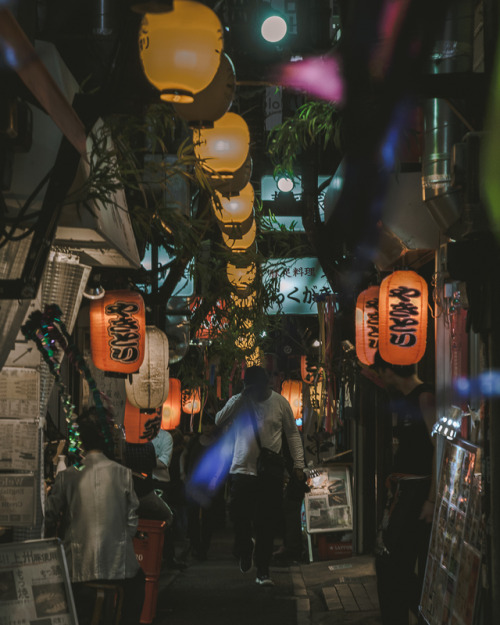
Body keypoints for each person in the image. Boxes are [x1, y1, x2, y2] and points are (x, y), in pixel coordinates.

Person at [44, 407, 145, 625]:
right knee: (138, 584)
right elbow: (131, 524)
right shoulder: (124, 474)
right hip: (120, 568)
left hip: (78, 570)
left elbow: (49, 516)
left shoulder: (68, 476)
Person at [215, 365, 305, 587]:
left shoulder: (280, 403)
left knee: (266, 523)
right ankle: (245, 548)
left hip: (270, 472)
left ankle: (263, 571)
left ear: (267, 385)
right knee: (238, 516)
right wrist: (240, 398)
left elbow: (292, 434)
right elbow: (218, 419)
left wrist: (299, 464)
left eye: (256, 388)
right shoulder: (240, 401)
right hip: (241, 469)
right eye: (249, 389)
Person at [372, 351, 437, 625]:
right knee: (387, 559)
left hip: (418, 491)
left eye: (380, 371)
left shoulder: (424, 396)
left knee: (393, 561)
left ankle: (425, 613)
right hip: (402, 491)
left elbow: (440, 448)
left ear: (389, 370)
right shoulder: (402, 400)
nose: (380, 377)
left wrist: (432, 499)